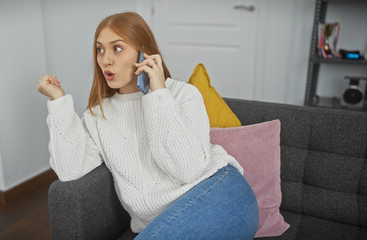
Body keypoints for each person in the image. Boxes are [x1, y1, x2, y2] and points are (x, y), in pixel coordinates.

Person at [36, 11, 259, 240]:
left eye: (117, 48)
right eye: (100, 49)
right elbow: (69, 170)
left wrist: (158, 94)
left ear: (143, 52)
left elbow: (188, 170)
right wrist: (58, 102)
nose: (105, 59)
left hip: (220, 192)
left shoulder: (182, 94)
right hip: (164, 223)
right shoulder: (97, 115)